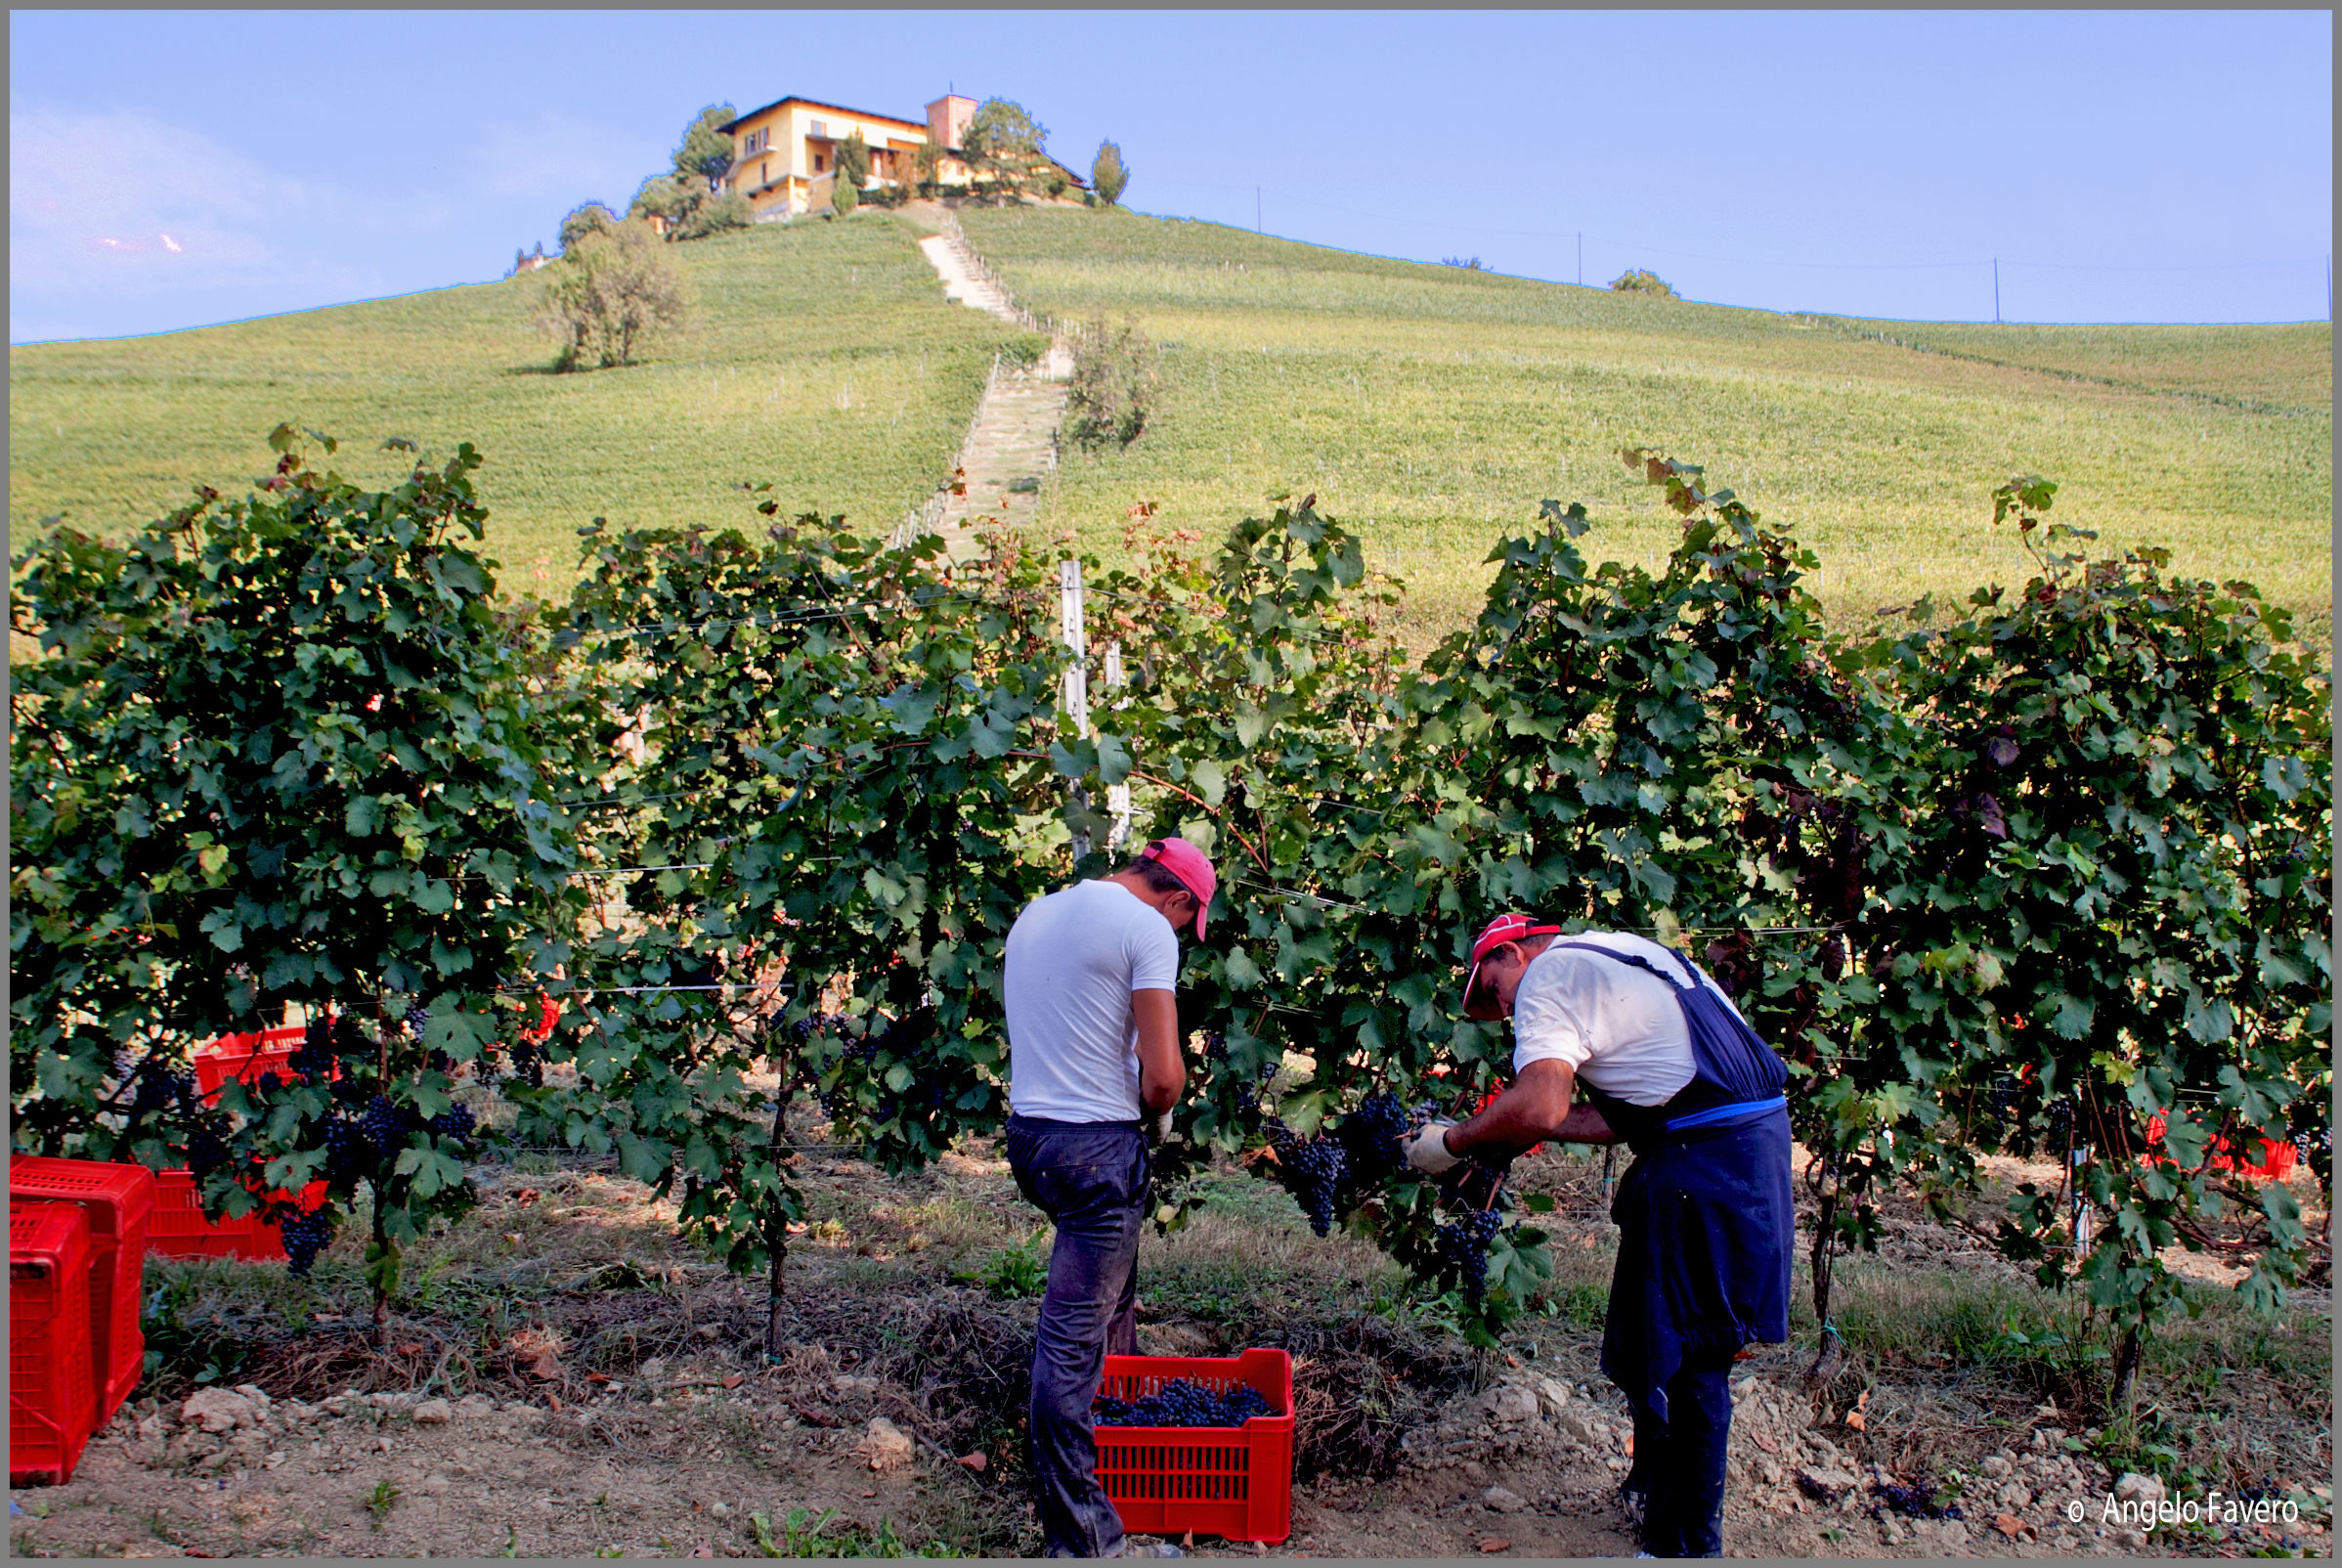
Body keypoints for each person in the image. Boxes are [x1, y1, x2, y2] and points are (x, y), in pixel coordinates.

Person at [1402, 914, 1794, 1559]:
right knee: (1654, 1340)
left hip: (1706, 1163)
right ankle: (1652, 1492)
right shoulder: (1624, 952)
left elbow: (1540, 1103)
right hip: (1737, 1150)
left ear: (1511, 952)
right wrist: (1512, 1131)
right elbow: (1598, 1118)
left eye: (1492, 986)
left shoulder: (1548, 977)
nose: (1503, 1006)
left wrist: (1452, 1142)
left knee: (1692, 1357)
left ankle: (1686, 1549)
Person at [1002, 837, 1218, 1558]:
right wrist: (1160, 1110)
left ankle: (1094, 1494)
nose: (1184, 933)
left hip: (1032, 1140)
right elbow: (1162, 1077)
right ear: (1179, 899)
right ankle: (1087, 1544)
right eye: (1190, 921)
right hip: (1095, 1149)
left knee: (1092, 1312)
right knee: (1068, 1343)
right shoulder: (1147, 928)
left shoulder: (1039, 911)